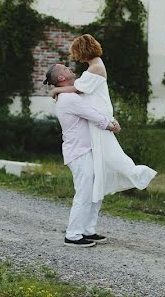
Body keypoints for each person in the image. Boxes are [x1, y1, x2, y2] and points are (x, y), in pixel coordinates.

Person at [44, 61, 120, 247]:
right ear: (62, 78)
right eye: (65, 69)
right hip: (78, 153)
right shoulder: (69, 99)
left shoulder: (70, 94)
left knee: (96, 191)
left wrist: (56, 91)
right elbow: (91, 114)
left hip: (88, 150)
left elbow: (91, 101)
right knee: (84, 193)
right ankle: (73, 235)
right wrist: (110, 124)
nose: (71, 68)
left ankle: (88, 230)